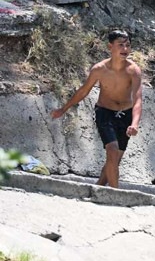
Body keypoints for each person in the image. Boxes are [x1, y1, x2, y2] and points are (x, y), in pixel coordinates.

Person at [51, 30, 143, 188]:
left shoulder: (133, 70)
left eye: (128, 45)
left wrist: (134, 123)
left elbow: (138, 99)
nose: (125, 49)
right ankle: (115, 194)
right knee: (112, 150)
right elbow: (83, 91)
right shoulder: (99, 69)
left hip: (126, 115)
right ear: (110, 46)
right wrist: (63, 109)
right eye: (121, 45)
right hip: (105, 112)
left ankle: (98, 188)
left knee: (114, 160)